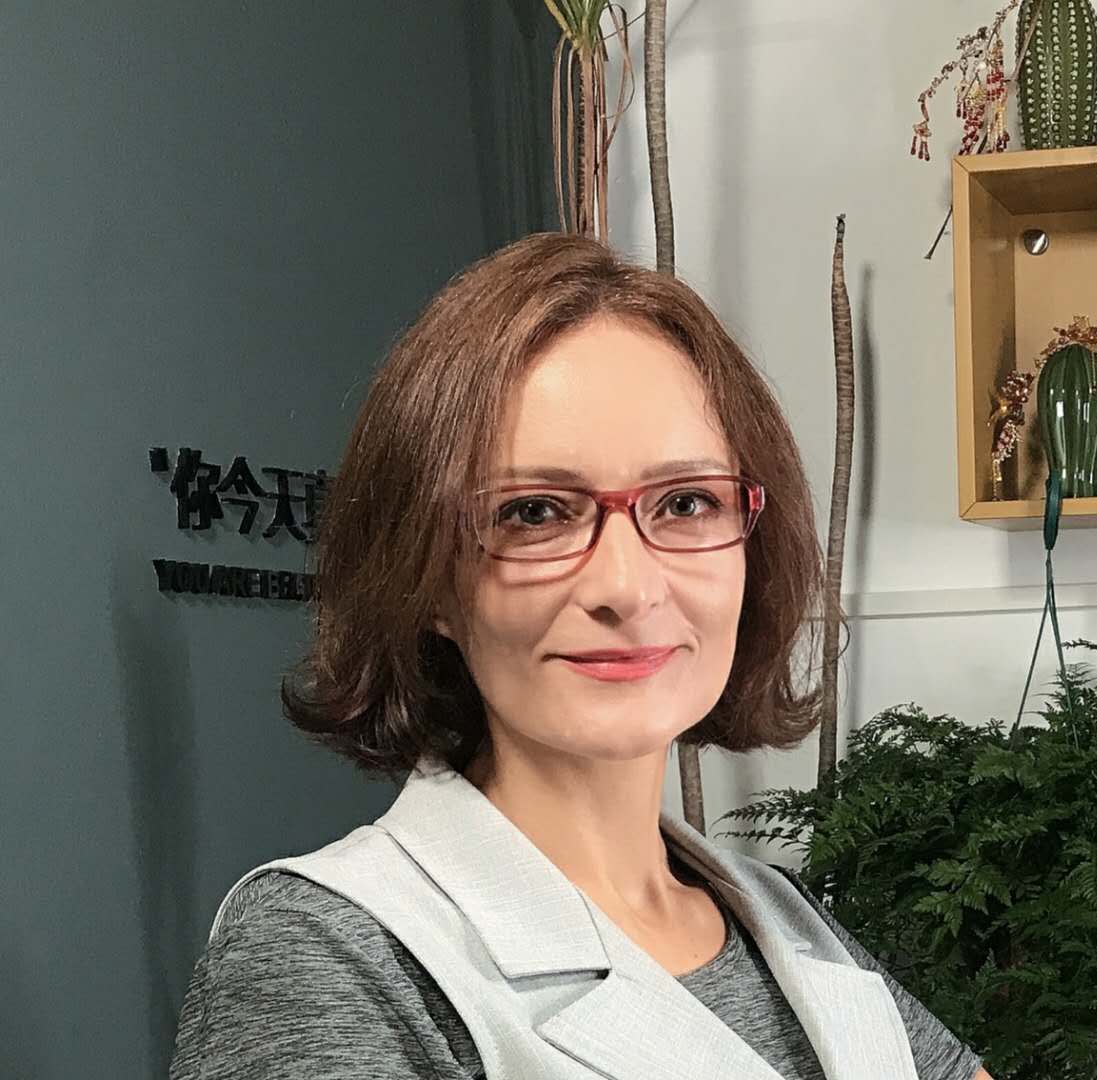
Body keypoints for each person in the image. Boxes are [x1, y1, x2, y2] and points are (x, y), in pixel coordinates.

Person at [169, 232, 993, 1080]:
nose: (627, 588)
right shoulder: (327, 959)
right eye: (534, 513)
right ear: (432, 581)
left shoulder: (782, 918)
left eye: (686, 502)